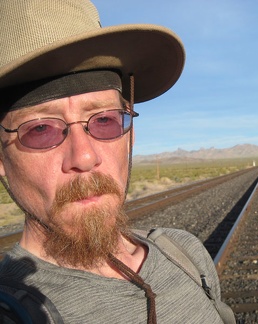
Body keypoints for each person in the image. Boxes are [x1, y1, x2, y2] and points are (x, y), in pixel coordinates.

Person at [0, 1, 235, 323]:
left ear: (130, 136)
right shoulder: (16, 309)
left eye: (105, 121)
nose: (84, 157)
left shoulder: (183, 252)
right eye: (40, 129)